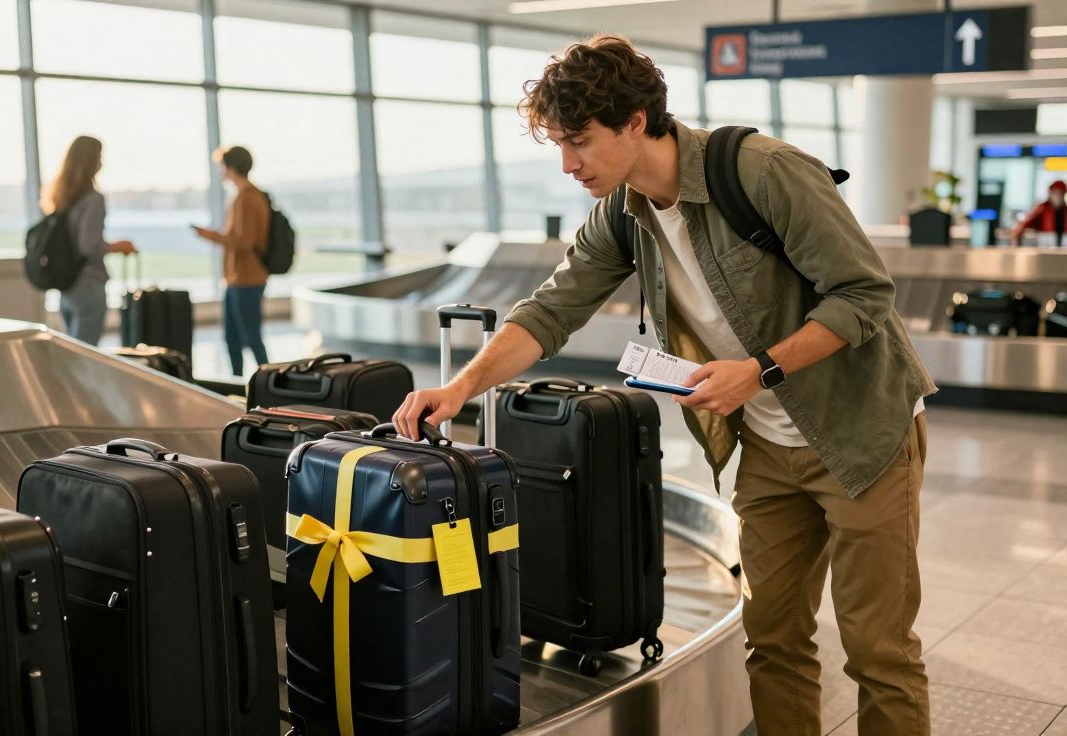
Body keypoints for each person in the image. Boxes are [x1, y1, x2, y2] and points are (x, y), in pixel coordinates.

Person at [393, 35, 935, 736]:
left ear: (636, 122)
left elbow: (863, 296)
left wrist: (759, 370)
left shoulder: (765, 172)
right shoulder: (624, 212)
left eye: (580, 141)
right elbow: (552, 309)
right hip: (768, 447)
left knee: (878, 651)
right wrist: (462, 387)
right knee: (771, 640)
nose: (568, 164)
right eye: (559, 143)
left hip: (863, 432)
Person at [42, 135, 135, 345]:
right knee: (85, 355)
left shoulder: (62, 198)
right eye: (100, 156)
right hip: (88, 284)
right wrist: (118, 246)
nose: (102, 162)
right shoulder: (93, 199)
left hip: (67, 287)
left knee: (74, 350)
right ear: (91, 160)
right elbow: (89, 245)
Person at [195, 145, 270, 376]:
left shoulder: (246, 198)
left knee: (249, 338)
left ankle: (264, 382)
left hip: (245, 278)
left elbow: (244, 242)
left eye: (223, 166)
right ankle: (242, 382)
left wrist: (211, 236)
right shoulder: (250, 196)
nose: (221, 172)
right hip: (239, 278)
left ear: (231, 167)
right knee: (235, 338)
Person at [1011, 179, 1066, 247]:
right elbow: (1025, 223)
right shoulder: (1042, 208)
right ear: (1051, 192)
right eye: (1056, 192)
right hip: (1046, 245)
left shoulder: (1065, 210)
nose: (1058, 196)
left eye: (1061, 193)